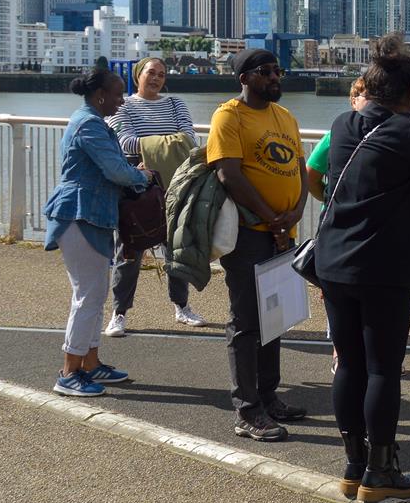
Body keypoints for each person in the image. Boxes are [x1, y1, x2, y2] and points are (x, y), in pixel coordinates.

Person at [314, 40, 410, 502]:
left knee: (349, 363)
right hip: (383, 267)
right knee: (383, 368)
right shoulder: (408, 131)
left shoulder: (343, 124)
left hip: (334, 263)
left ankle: (353, 465)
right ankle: (380, 472)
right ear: (408, 92)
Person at [206, 48, 309, 442]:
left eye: (277, 70)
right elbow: (229, 174)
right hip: (250, 233)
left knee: (275, 318)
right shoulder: (228, 116)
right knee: (246, 323)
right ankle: (247, 411)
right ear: (245, 78)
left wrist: (296, 213)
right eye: (266, 72)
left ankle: (269, 396)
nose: (274, 77)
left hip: (285, 232)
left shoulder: (285, 117)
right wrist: (270, 217)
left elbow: (299, 170)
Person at [43, 68, 152, 396]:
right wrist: (143, 176)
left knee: (95, 294)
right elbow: (116, 170)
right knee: (87, 296)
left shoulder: (92, 121)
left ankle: (90, 364)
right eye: (118, 95)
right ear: (100, 95)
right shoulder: (89, 123)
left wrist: (134, 174)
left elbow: (115, 169)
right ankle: (68, 373)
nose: (122, 101)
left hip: (92, 216)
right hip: (79, 214)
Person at [102, 56, 203, 337]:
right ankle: (119, 313)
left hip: (176, 186)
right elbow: (125, 143)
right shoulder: (123, 106)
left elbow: (191, 139)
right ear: (138, 75)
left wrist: (152, 148)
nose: (156, 78)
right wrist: (172, 142)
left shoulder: (175, 103)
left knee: (177, 248)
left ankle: (181, 306)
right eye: (151, 72)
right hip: (137, 189)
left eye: (161, 73)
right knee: (129, 250)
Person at [306, 77, 368, 375]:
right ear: (353, 101)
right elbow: (311, 173)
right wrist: (328, 198)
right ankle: (339, 351)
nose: (367, 101)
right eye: (361, 95)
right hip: (336, 222)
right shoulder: (338, 132)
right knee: (336, 291)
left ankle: (377, 353)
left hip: (370, 227)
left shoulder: (389, 131)